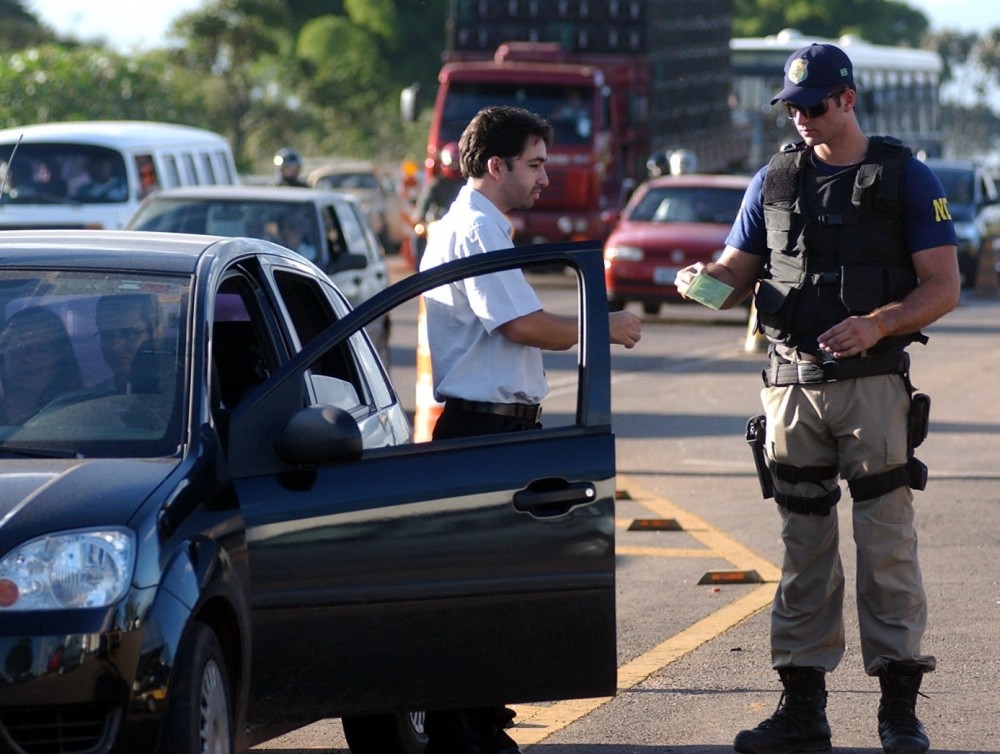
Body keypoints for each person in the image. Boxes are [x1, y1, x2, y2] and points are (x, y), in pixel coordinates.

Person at [674, 43, 959, 754]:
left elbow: (943, 286)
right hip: (791, 388)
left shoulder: (906, 177)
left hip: (872, 391)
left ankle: (898, 714)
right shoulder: (772, 180)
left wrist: (880, 323)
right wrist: (697, 283)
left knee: (886, 544)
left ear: (849, 99)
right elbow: (734, 279)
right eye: (793, 106)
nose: (802, 117)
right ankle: (804, 710)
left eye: (816, 104)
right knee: (803, 546)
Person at [418, 105, 642, 754]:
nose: (546, 178)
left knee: (493, 592)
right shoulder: (475, 230)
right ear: (498, 165)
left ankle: (479, 723)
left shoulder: (479, 226)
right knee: (475, 596)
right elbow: (519, 325)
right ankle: (461, 732)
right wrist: (605, 325)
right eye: (536, 164)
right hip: (480, 433)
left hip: (498, 432)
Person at [0, 307, 82, 424]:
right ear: (3, 355)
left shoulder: (81, 414)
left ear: (59, 359)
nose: (30, 358)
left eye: (43, 350)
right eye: (21, 347)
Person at [95, 294, 157, 393]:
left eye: (128, 334)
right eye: (107, 335)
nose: (116, 346)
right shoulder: (91, 401)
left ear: (155, 334)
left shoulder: (183, 394)